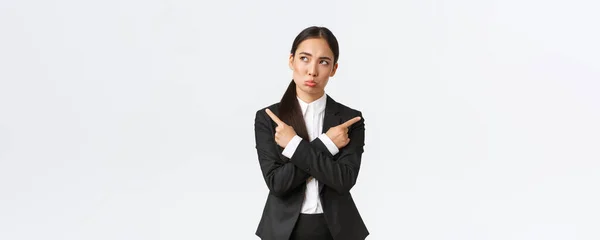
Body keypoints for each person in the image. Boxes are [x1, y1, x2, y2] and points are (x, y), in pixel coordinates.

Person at [253, 26, 369, 240]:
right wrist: (326, 143)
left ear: (333, 69)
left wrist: (294, 146)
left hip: (336, 230)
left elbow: (344, 180)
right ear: (291, 61)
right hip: (283, 230)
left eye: (323, 62)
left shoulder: (349, 120)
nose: (312, 71)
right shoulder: (269, 118)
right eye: (304, 58)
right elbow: (277, 184)